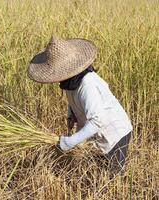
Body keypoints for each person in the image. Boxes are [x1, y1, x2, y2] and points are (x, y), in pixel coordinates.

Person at [27, 35, 133, 173]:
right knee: (96, 172)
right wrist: (71, 113)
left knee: (110, 178)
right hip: (97, 134)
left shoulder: (88, 85)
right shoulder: (70, 81)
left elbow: (97, 121)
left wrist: (69, 142)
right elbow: (74, 98)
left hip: (114, 134)